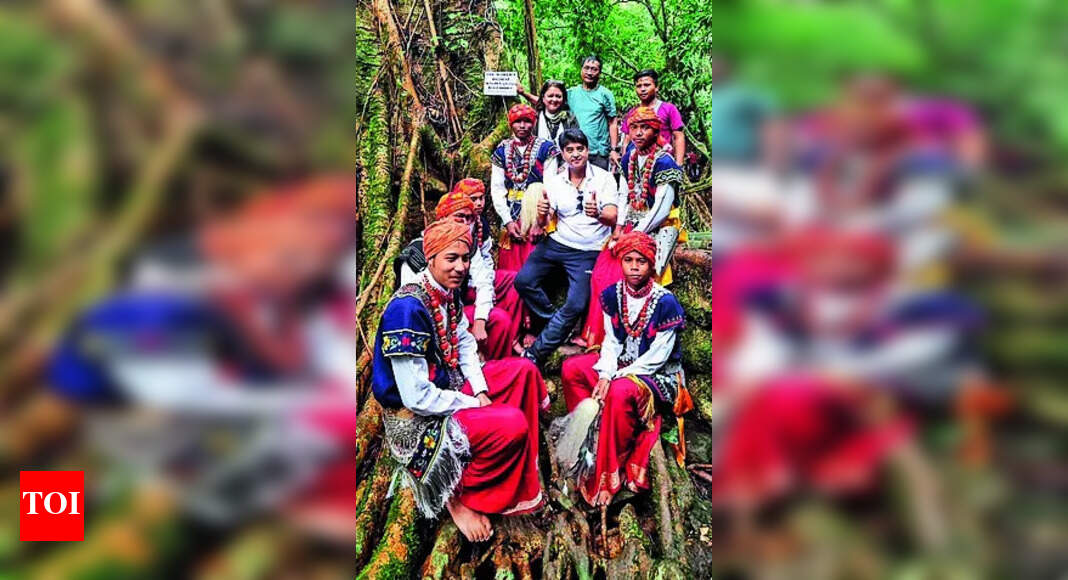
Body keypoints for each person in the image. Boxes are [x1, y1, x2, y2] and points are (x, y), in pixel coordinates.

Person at [371, 220, 546, 542]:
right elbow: (415, 398)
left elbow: (464, 342)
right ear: (431, 257)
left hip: (446, 385)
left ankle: (522, 470)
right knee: (512, 423)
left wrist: (480, 389)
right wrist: (472, 401)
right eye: (451, 258)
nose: (460, 267)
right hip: (418, 419)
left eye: (465, 259)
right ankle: (459, 496)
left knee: (523, 372)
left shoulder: (445, 292)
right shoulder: (407, 309)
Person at [559, 231, 691, 506]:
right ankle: (588, 435)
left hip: (657, 375)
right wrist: (605, 373)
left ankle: (610, 470)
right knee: (572, 369)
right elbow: (611, 342)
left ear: (651, 264)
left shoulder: (665, 302)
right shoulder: (612, 295)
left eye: (640, 261)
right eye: (628, 260)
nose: (633, 266)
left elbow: (660, 355)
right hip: (620, 365)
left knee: (619, 392)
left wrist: (616, 376)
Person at [579, 106, 686, 349]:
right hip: (630, 225)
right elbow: (624, 195)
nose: (638, 133)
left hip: (657, 226)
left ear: (655, 130)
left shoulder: (665, 161)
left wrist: (637, 234)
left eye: (645, 128)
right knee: (603, 270)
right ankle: (601, 338)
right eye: (634, 128)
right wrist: (618, 229)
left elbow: (662, 205)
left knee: (626, 273)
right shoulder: (629, 157)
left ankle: (631, 339)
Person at [515, 129, 617, 364]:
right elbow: (545, 220)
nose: (575, 154)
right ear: (562, 154)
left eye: (579, 149)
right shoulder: (554, 181)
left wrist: (598, 214)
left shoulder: (604, 178)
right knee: (523, 281)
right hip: (557, 243)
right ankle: (557, 324)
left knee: (576, 303)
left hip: (588, 249)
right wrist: (541, 216)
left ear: (587, 151)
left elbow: (613, 216)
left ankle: (535, 354)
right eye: (569, 150)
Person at [395, 188, 521, 360]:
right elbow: (409, 305)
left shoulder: (467, 245)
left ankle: (496, 363)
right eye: (459, 216)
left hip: (456, 311)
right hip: (428, 325)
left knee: (500, 319)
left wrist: (480, 320)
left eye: (469, 218)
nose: (465, 223)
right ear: (443, 218)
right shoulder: (416, 254)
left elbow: (483, 280)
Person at [491, 104, 561, 271]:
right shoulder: (501, 152)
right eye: (517, 122)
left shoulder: (546, 148)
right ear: (510, 124)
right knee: (511, 266)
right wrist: (507, 221)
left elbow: (551, 186)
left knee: (536, 262)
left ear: (533, 123)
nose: (522, 126)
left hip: (539, 213)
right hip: (511, 213)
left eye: (527, 121)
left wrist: (540, 221)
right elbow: (497, 188)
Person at [518, 56, 619, 171]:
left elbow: (612, 122)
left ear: (600, 73)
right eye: (586, 68)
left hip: (597, 152)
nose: (589, 72)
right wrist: (524, 93)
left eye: (594, 69)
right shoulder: (571, 93)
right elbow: (549, 101)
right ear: (581, 70)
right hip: (573, 152)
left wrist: (614, 150)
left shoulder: (605, 94)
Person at [620, 69, 686, 166]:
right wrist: (625, 163)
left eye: (647, 85)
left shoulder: (669, 109)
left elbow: (678, 136)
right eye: (639, 86)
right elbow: (627, 139)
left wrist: (678, 164)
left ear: (656, 87)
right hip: (637, 164)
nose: (642, 89)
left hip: (662, 163)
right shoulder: (632, 113)